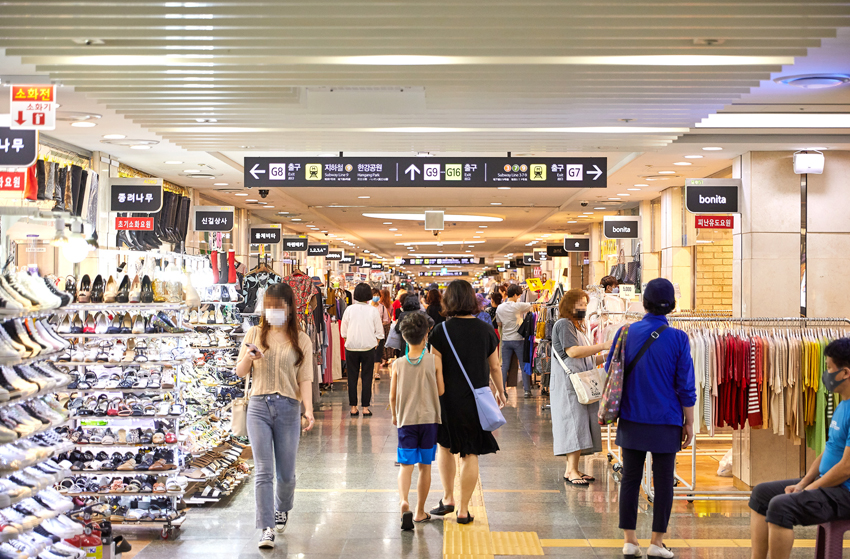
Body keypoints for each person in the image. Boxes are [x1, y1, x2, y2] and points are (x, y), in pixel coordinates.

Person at [604, 278, 695, 559]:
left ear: (644, 303)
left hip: (631, 416)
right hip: (667, 420)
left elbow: (610, 368)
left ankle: (630, 541)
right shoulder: (678, 338)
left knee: (630, 478)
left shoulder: (625, 332)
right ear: (672, 306)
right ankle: (657, 542)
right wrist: (689, 422)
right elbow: (685, 386)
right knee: (664, 480)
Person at [748, 338, 850, 559]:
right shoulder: (843, 404)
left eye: (829, 368)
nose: (826, 374)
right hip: (831, 484)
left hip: (845, 493)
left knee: (780, 506)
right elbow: (829, 451)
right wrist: (804, 482)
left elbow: (846, 468)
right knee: (761, 494)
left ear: (845, 373)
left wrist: (810, 489)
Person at [235, 283, 315, 550]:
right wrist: (250, 356)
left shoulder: (301, 339)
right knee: (263, 472)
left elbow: (305, 378)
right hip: (258, 406)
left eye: (278, 307)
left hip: (288, 408)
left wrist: (309, 410)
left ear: (289, 308)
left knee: (286, 473)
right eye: (269, 306)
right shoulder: (254, 333)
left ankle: (282, 508)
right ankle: (266, 527)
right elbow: (240, 372)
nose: (273, 311)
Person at [428, 280, 506, 524]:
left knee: (445, 446)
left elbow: (435, 371)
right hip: (476, 399)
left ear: (447, 300)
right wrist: (501, 391)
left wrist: (437, 397)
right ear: (473, 300)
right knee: (470, 452)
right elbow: (495, 366)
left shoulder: (440, 331)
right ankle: (463, 510)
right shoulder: (486, 330)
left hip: (447, 399)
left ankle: (448, 498)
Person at [389, 313, 444, 531]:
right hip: (429, 420)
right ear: (426, 336)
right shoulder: (434, 360)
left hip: (406, 421)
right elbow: (441, 390)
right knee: (425, 466)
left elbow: (392, 397)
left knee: (405, 465)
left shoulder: (398, 364)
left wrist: (395, 415)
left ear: (404, 336)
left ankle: (404, 501)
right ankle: (420, 511)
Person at [550, 289, 609, 486]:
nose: (583, 308)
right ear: (569, 305)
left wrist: (606, 356)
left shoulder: (578, 327)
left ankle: (572, 469)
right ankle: (572, 470)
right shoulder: (564, 324)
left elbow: (588, 357)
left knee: (580, 423)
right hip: (569, 384)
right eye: (579, 304)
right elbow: (573, 352)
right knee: (573, 424)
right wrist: (603, 346)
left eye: (585, 304)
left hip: (579, 382)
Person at [341, 282, 384, 417]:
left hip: (351, 347)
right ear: (369, 295)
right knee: (367, 377)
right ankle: (365, 408)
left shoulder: (349, 309)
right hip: (368, 348)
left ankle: (353, 407)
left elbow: (343, 331)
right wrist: (375, 342)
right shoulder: (373, 310)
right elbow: (379, 332)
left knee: (352, 378)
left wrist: (349, 339)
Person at [496, 284, 534, 397]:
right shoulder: (518, 306)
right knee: (523, 365)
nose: (519, 298)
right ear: (517, 294)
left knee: (504, 366)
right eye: (519, 295)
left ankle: (502, 390)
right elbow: (533, 305)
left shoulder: (500, 307)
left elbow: (499, 324)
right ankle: (527, 390)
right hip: (518, 340)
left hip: (506, 340)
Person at [371, 287, 392, 380]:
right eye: (374, 295)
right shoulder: (367, 307)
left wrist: (378, 323)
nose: (376, 297)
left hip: (379, 333)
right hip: (369, 333)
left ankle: (376, 373)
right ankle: (370, 371)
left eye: (377, 296)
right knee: (370, 354)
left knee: (377, 354)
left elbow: (386, 321)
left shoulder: (382, 307)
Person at [379, 289, 394, 365]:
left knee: (382, 342)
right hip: (388, 325)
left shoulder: (380, 305)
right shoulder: (390, 305)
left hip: (381, 325)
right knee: (388, 342)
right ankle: (388, 357)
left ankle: (383, 358)